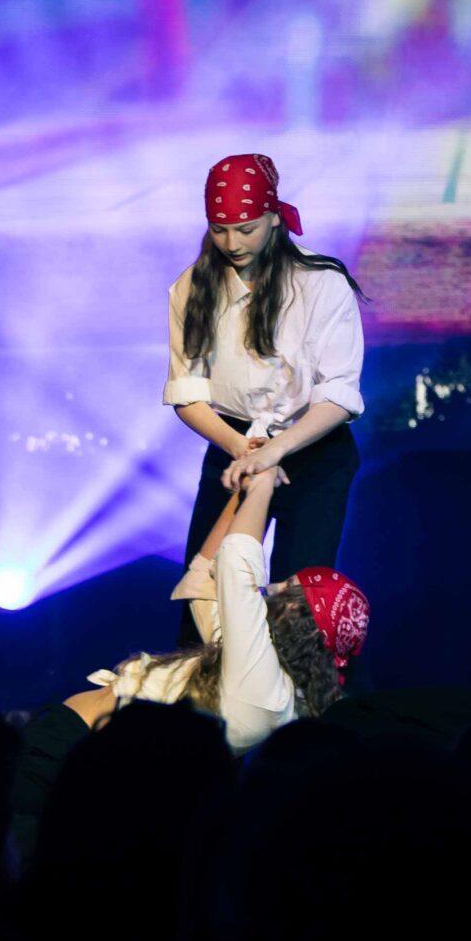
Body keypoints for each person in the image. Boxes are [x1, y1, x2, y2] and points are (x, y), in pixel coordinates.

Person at [166, 154, 365, 642]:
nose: (232, 243)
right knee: (203, 596)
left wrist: (274, 452)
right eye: (220, 230)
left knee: (300, 608)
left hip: (311, 448)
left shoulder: (321, 282)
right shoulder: (193, 287)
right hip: (233, 445)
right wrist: (243, 450)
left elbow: (338, 394)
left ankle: (302, 694)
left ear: (274, 217)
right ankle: (201, 693)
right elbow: (187, 393)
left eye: (246, 229)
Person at [59, 465, 362, 752]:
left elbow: (235, 562)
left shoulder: (266, 691)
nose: (274, 587)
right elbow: (205, 582)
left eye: (289, 586)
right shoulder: (263, 671)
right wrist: (243, 492)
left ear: (300, 611)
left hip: (74, 749)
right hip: (78, 742)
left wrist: (264, 482)